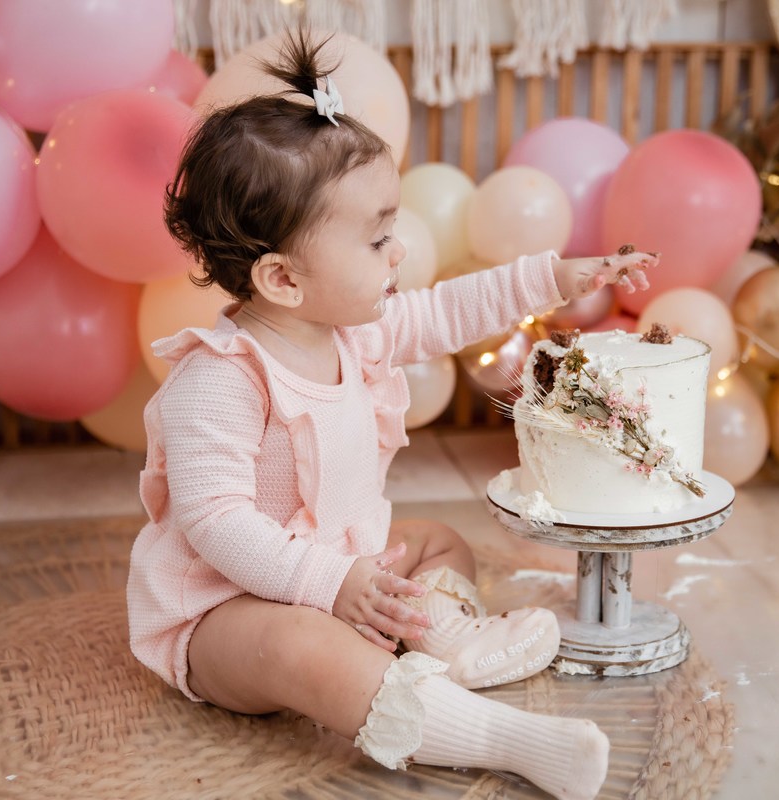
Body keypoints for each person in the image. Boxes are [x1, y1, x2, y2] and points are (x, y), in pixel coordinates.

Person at [126, 29, 657, 800]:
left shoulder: (357, 330)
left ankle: (445, 643)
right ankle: (505, 740)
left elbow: (449, 308)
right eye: (377, 239)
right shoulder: (221, 380)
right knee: (299, 644)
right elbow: (217, 524)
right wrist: (330, 583)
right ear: (282, 278)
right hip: (228, 612)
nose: (399, 251)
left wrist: (554, 276)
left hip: (346, 575)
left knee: (437, 543)